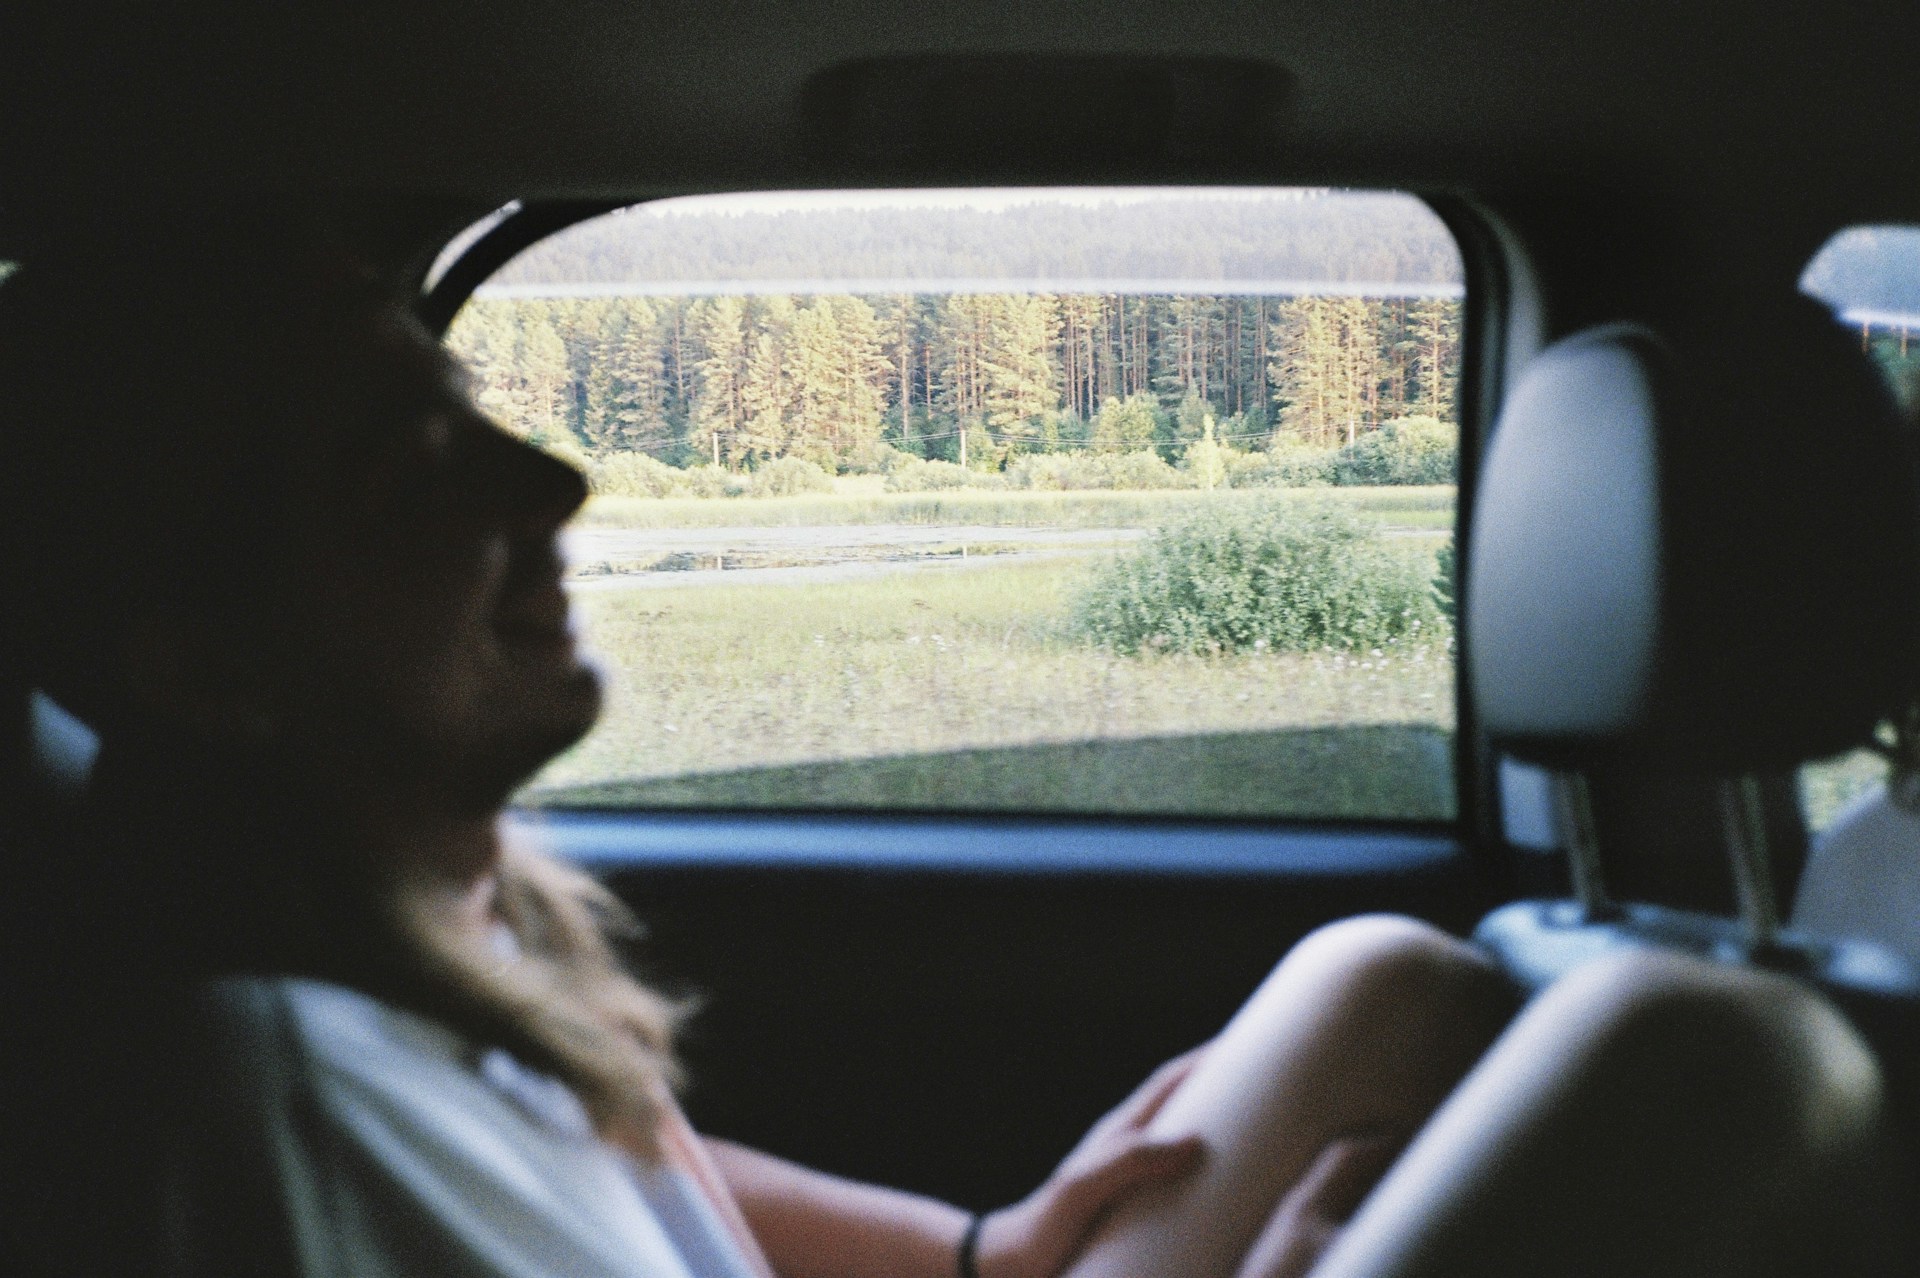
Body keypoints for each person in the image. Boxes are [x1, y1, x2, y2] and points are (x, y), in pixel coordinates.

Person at [0, 212, 1903, 1278]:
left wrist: (981, 1249)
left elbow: (619, 1175)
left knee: (1381, 981)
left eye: (476, 411)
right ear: (207, 667)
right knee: (1709, 1058)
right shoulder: (273, 1099)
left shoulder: (423, 954)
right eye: (405, 470)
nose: (550, 481)